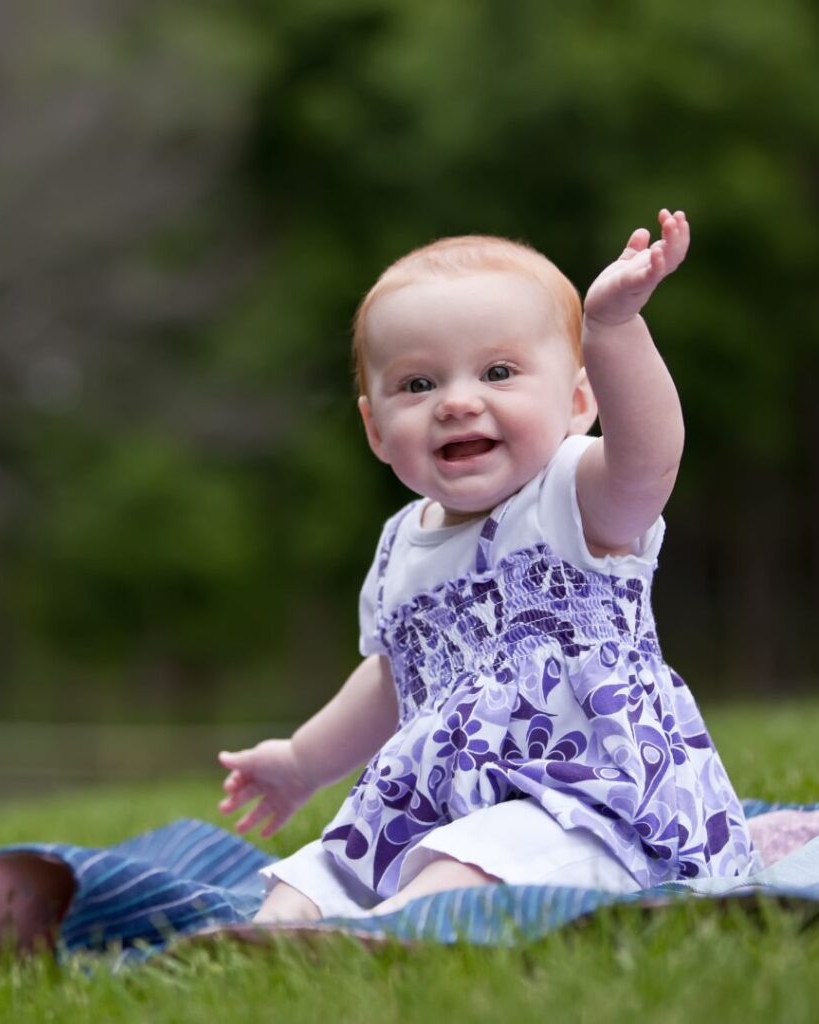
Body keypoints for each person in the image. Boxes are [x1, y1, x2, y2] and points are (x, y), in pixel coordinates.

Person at [218, 210, 756, 922]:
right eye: (417, 385)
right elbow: (390, 680)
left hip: (590, 800)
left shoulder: (573, 498)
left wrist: (615, 330)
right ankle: (276, 942)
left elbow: (650, 456)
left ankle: (389, 935)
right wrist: (301, 762)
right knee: (318, 871)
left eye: (498, 372)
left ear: (577, 402)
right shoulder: (398, 548)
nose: (458, 402)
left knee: (476, 863)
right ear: (376, 429)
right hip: (439, 804)